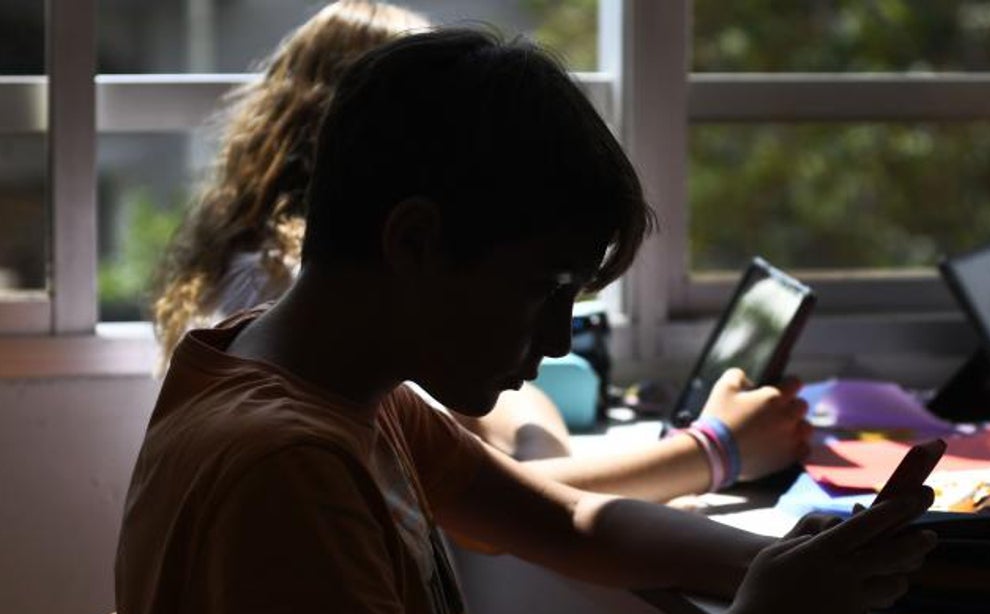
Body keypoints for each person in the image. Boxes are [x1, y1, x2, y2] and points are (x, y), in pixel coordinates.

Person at [115, 25, 936, 614]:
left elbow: (567, 522)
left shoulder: (334, 390)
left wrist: (793, 570)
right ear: (413, 242)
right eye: (543, 289)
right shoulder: (288, 469)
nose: (554, 339)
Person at [150, 0, 811, 506]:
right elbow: (522, 488)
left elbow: (517, 446)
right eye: (538, 286)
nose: (554, 341)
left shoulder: (357, 366)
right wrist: (714, 450)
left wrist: (530, 453)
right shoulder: (301, 368)